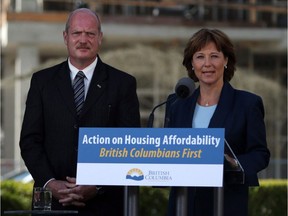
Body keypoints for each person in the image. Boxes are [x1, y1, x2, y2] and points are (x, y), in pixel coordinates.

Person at [19, 8, 140, 216]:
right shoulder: (42, 82)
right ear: (66, 37)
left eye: (90, 33)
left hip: (104, 205)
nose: (83, 39)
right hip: (51, 204)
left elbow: (129, 145)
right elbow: (30, 141)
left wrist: (98, 185)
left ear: (100, 38)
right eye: (77, 33)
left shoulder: (123, 84)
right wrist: (50, 183)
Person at [165, 28, 270, 216]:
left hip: (226, 203)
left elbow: (260, 154)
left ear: (226, 60)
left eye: (214, 56)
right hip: (182, 205)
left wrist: (233, 163)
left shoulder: (248, 104)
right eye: (200, 57)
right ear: (191, 63)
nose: (207, 64)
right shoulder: (176, 103)